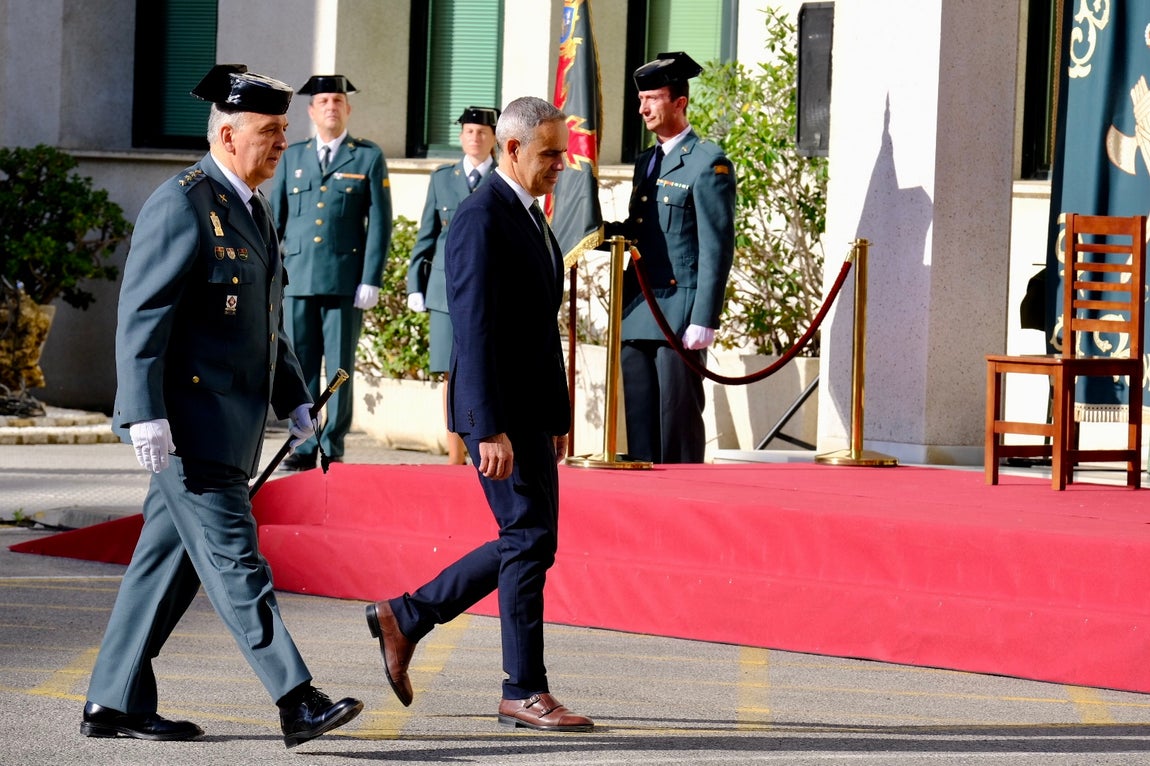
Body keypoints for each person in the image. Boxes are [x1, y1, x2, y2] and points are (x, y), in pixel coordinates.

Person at [82, 65, 362, 749]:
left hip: (231, 429)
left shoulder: (254, 206)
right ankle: (297, 698)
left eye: (284, 133)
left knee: (162, 569)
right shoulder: (183, 203)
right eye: (269, 133)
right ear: (228, 133)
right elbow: (141, 319)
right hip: (191, 428)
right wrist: (142, 411)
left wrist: (296, 398)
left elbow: (264, 324)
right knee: (239, 565)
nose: (280, 145)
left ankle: (111, 702)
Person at [365, 96, 593, 732]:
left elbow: (535, 331)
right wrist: (485, 425)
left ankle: (406, 617)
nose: (561, 164)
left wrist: (553, 416)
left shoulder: (527, 214)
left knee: (534, 541)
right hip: (498, 414)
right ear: (512, 150)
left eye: (562, 151)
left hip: (529, 412)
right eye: (549, 153)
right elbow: (475, 329)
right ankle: (521, 688)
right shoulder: (479, 218)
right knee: (525, 540)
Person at [608, 51, 737, 464]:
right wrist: (598, 229)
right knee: (641, 423)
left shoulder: (707, 162)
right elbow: (641, 226)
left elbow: (717, 246)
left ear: (679, 102)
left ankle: (682, 504)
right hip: (638, 306)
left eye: (653, 98)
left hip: (679, 313)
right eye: (641, 99)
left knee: (676, 426)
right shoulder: (647, 161)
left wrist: (705, 317)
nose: (643, 107)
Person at [268, 74, 392, 471]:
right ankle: (301, 442)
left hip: (344, 279)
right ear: (311, 110)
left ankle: (331, 443)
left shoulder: (367, 156)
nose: (331, 108)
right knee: (299, 364)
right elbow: (275, 224)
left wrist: (371, 277)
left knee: (339, 366)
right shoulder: (292, 156)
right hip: (299, 278)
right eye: (323, 102)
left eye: (338, 102)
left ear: (348, 109)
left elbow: (381, 224)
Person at [406, 105, 500, 465]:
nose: (474, 137)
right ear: (461, 137)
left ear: (494, 138)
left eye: (482, 132)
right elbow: (426, 234)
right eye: (468, 132)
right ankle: (454, 455)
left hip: (490, 291)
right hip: (446, 292)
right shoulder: (442, 178)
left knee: (485, 368)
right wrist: (416, 282)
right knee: (451, 373)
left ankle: (485, 449)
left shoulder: (502, 178)